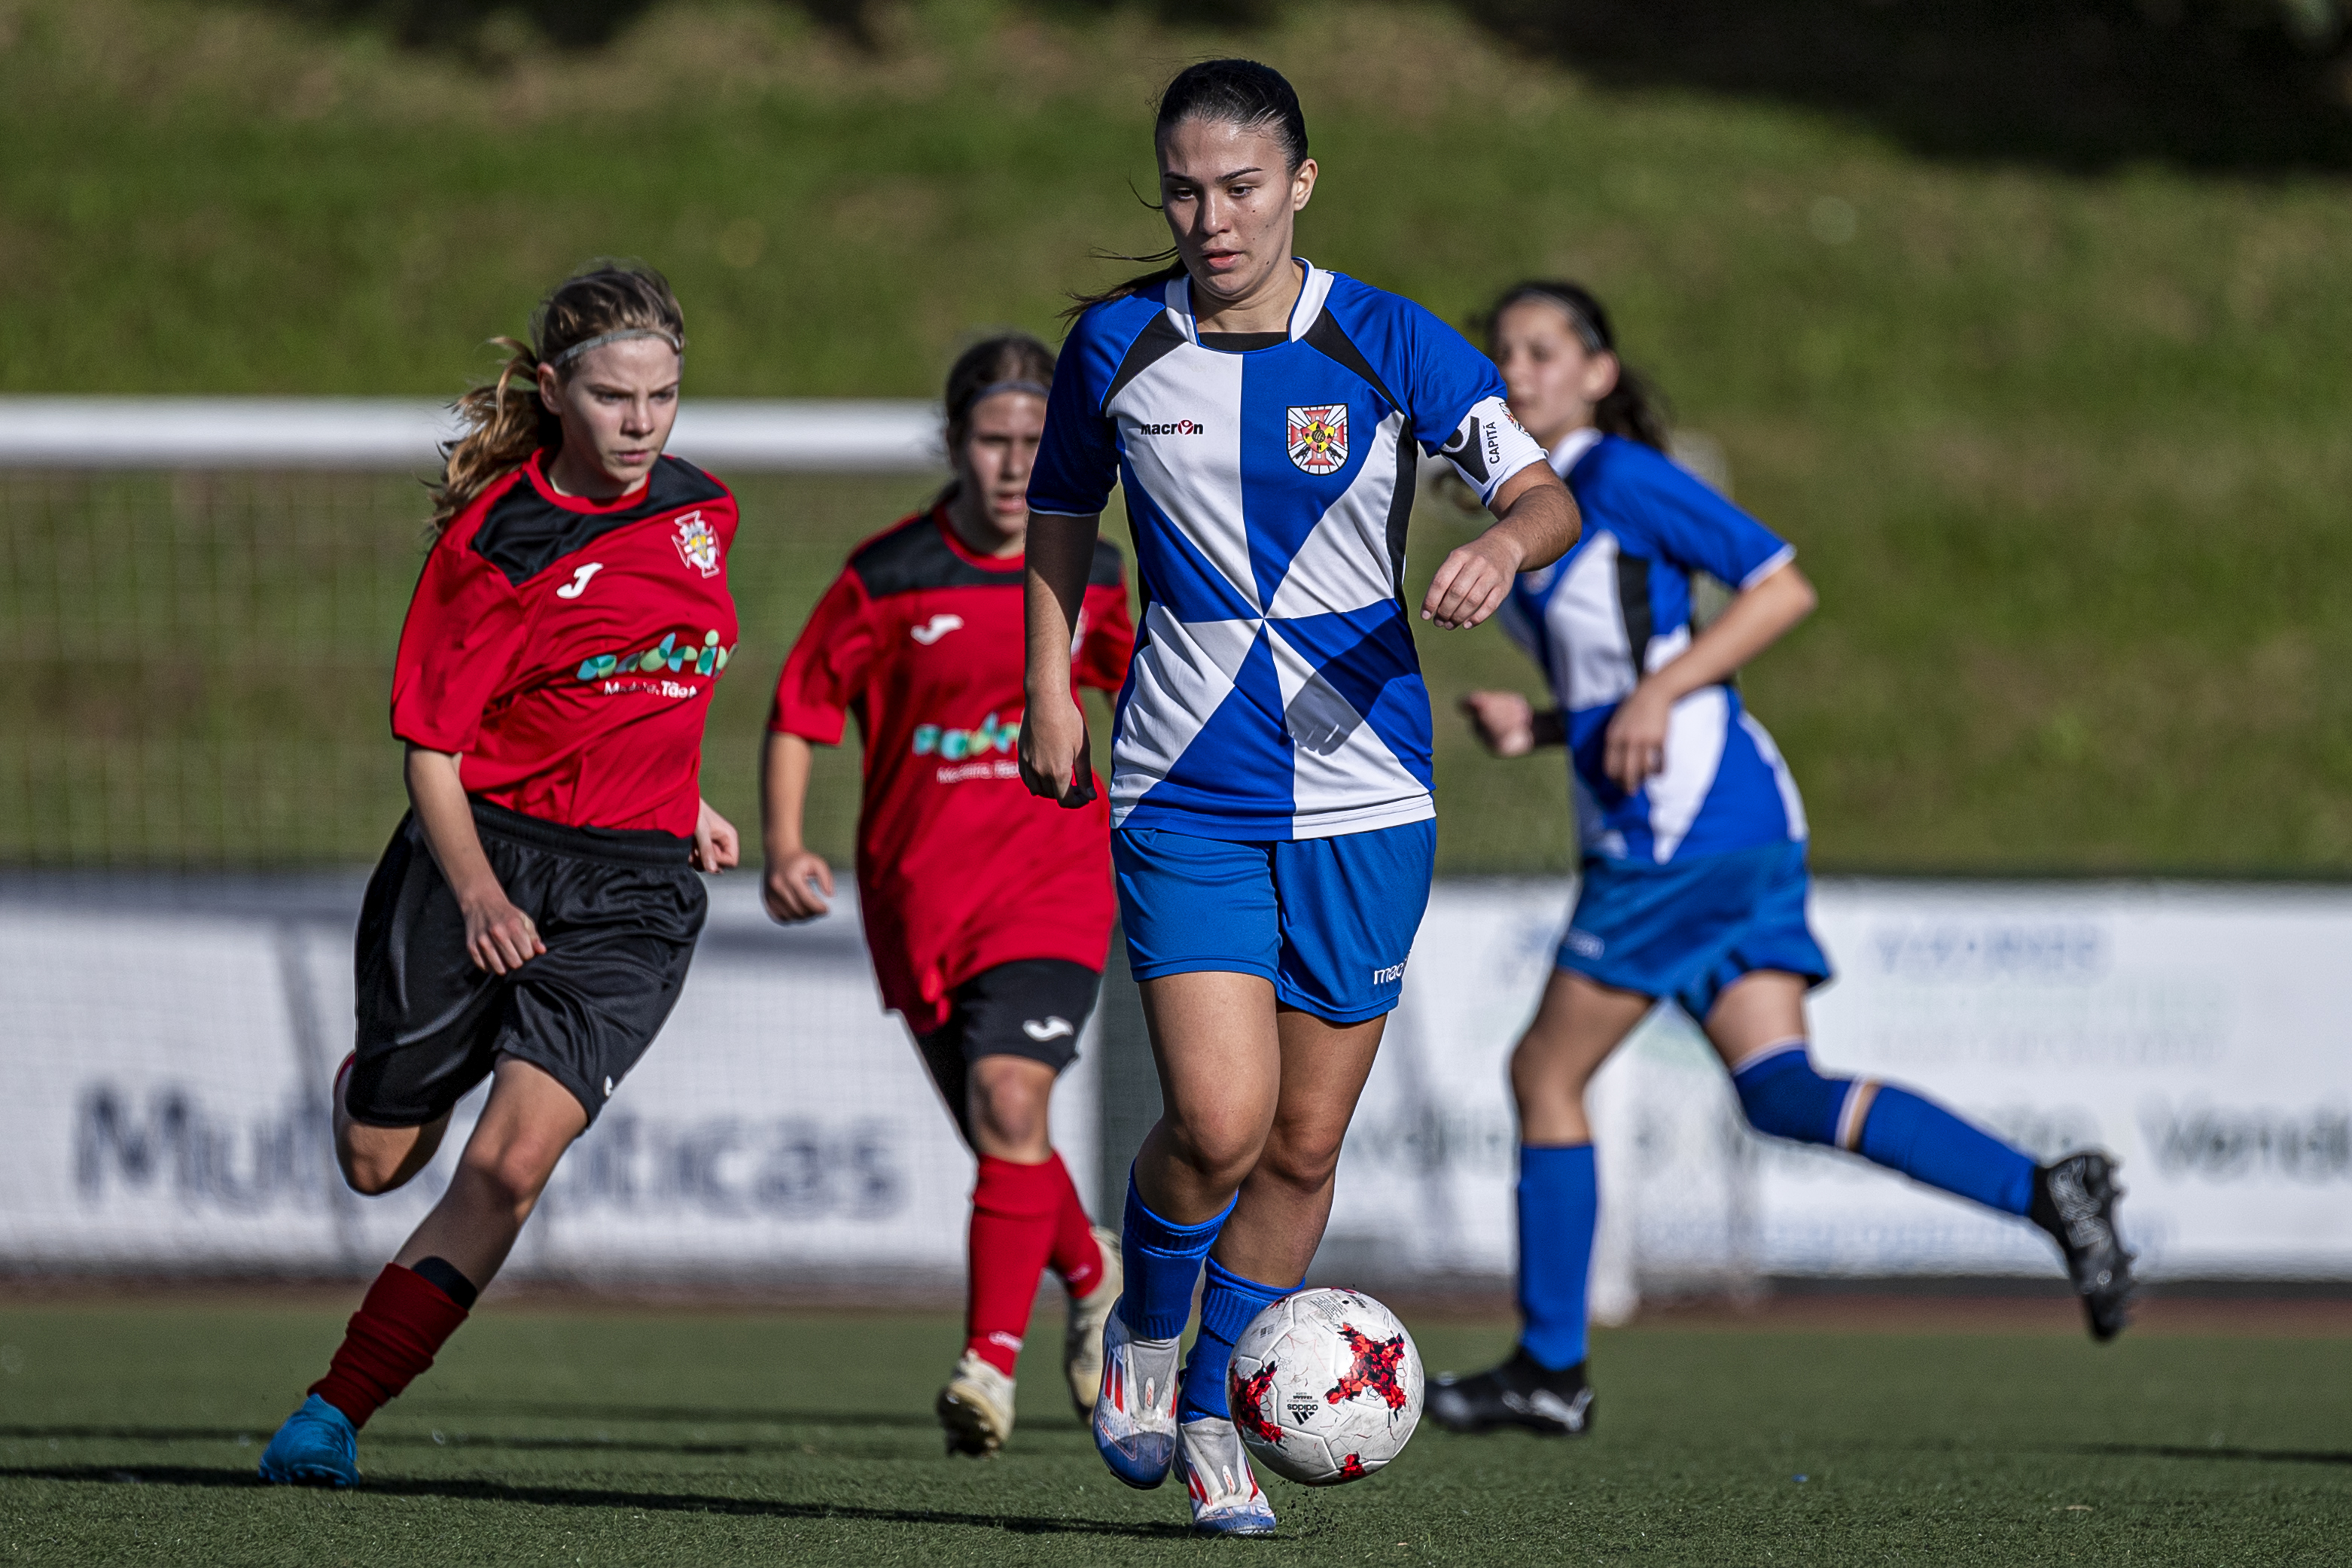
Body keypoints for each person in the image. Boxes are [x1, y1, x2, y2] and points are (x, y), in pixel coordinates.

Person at [1018, 61, 1580, 1535]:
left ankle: (1212, 1411)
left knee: (1304, 1144)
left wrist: (1501, 550)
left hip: (1365, 793)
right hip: (1182, 785)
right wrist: (1043, 682)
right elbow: (1058, 513)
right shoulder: (1114, 346)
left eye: (1241, 187)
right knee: (1215, 1117)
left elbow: (1544, 496)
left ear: (1300, 184)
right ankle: (1143, 1329)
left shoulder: (1390, 339)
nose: (1211, 216)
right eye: (1186, 190)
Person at [1428, 280, 2137, 1439]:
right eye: (1504, 351)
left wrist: (1655, 689)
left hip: (1685, 830)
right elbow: (1626, 674)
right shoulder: (1545, 501)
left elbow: (1782, 587)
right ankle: (2046, 1192)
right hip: (1722, 821)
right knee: (1781, 1091)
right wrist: (1549, 727)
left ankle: (1549, 1369)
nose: (1519, 371)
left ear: (1600, 373)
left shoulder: (1617, 478)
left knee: (1544, 1077)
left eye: (1545, 351)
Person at [257, 263, 743, 1486]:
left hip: (633, 893)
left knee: (508, 1166)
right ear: (553, 390)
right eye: (616, 398)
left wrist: (680, 800)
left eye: (666, 397)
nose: (643, 424)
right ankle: (378, 1073)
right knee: (380, 1162)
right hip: (480, 858)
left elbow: (656, 669)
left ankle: (331, 1414)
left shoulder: (703, 511)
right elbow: (433, 752)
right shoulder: (496, 546)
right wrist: (478, 895)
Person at [763, 333, 1135, 1457]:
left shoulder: (1099, 575)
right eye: (993, 440)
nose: (1016, 464)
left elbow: (1170, 689)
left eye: (1036, 441)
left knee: (1012, 1106)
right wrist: (783, 843)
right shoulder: (889, 577)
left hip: (1055, 885)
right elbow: (800, 708)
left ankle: (990, 1366)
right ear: (955, 444)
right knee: (1001, 1132)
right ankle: (1092, 1269)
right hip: (919, 905)